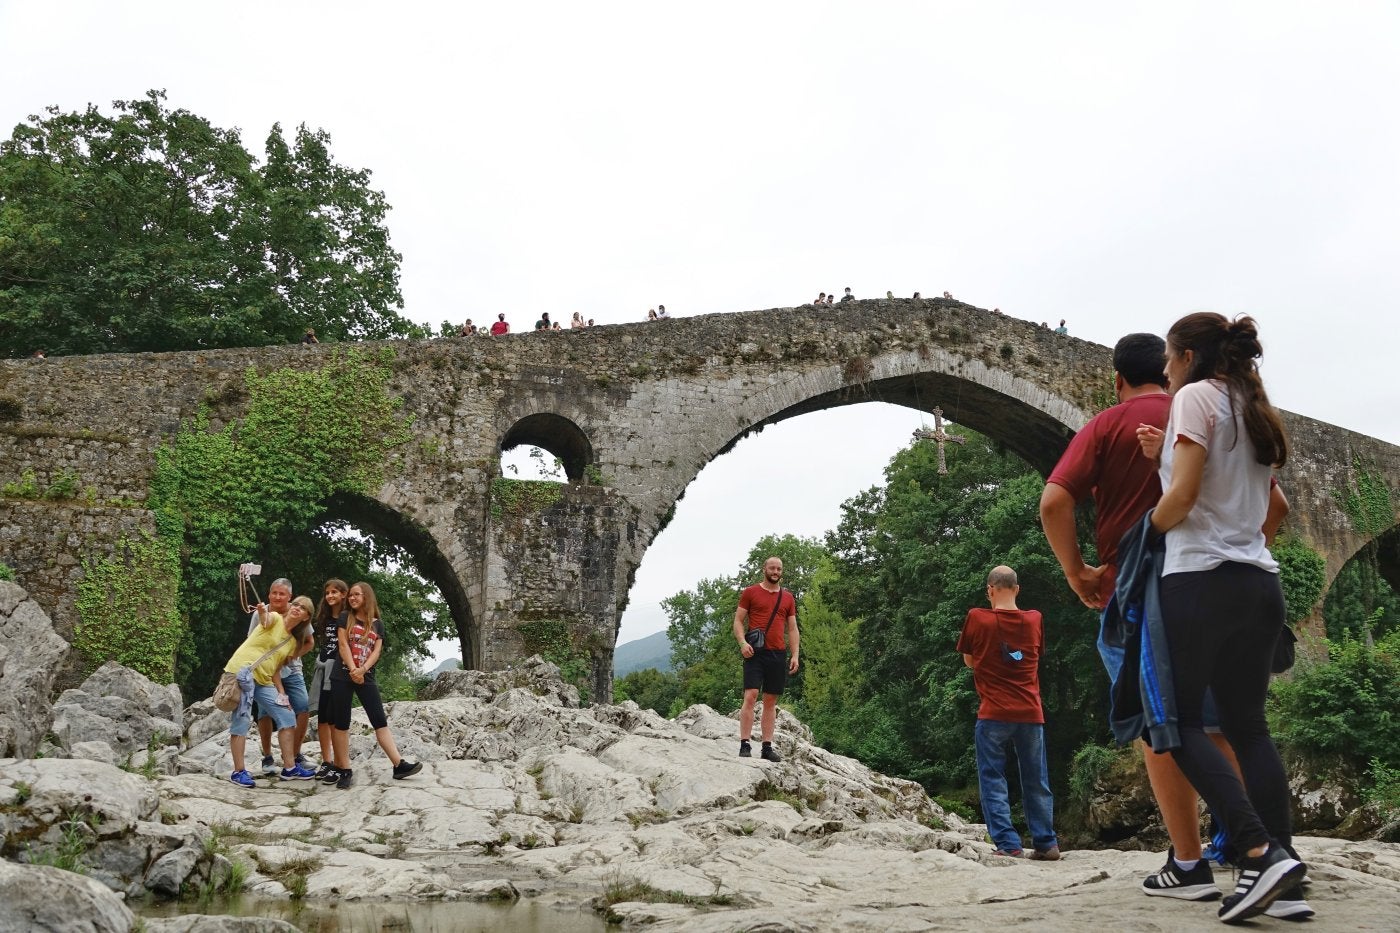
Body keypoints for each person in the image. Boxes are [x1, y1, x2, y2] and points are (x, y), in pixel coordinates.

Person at [1136, 312, 1307, 923]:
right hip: (1258, 584)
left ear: (1186, 358)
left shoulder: (1193, 399)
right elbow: (1275, 506)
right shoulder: (1252, 405)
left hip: (1198, 584)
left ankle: (1258, 852)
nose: (1163, 368)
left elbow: (1180, 500)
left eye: (1169, 357)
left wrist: (1143, 533)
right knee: (1249, 728)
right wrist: (1237, 543)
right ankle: (1284, 876)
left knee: (1175, 724)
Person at [957, 565, 1059, 860]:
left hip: (993, 713)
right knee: (1036, 779)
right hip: (1031, 712)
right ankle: (1046, 843)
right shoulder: (1035, 619)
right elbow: (1033, 655)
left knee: (993, 778)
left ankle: (1009, 845)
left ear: (990, 589)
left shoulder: (977, 618)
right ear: (1017, 589)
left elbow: (969, 661)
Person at [325, 581, 422, 789]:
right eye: (350, 595)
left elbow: (376, 651)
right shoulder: (345, 617)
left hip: (366, 676)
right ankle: (344, 768)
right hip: (342, 675)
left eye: (356, 595)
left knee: (379, 720)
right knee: (341, 722)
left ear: (366, 597)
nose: (352, 598)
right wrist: (353, 669)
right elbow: (342, 645)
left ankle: (399, 765)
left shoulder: (377, 624)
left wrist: (363, 670)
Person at [225, 602, 317, 786]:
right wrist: (261, 611)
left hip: (264, 680)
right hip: (244, 674)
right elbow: (265, 619)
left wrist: (281, 694)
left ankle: (290, 768)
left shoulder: (291, 642)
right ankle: (239, 772)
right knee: (242, 720)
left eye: (303, 608)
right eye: (296, 604)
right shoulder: (274, 618)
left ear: (306, 617)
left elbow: (276, 669)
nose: (297, 607)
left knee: (288, 715)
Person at [733, 557, 799, 762]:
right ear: (764, 569)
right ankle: (745, 743)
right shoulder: (750, 592)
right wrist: (743, 643)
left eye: (779, 568)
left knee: (770, 701)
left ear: (782, 572)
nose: (775, 571)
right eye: (772, 568)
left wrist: (795, 654)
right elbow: (738, 620)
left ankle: (767, 748)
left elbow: (792, 628)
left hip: (777, 654)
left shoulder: (788, 598)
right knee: (751, 696)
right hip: (755, 653)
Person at [249, 579, 316, 776]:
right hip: (267, 670)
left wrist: (292, 656)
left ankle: (295, 754)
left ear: (290, 597)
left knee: (303, 706)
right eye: (274, 593)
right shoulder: (260, 614)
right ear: (269, 594)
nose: (278, 597)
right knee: (265, 712)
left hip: (292, 669)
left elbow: (310, 641)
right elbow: (252, 641)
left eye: (282, 594)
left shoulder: (297, 612)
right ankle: (268, 756)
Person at [308, 578, 348, 780]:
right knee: (323, 717)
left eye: (335, 592)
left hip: (338, 672)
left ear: (343, 594)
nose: (330, 596)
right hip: (323, 668)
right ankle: (326, 761)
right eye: (328, 593)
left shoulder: (347, 617)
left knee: (334, 718)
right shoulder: (323, 618)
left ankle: (340, 763)